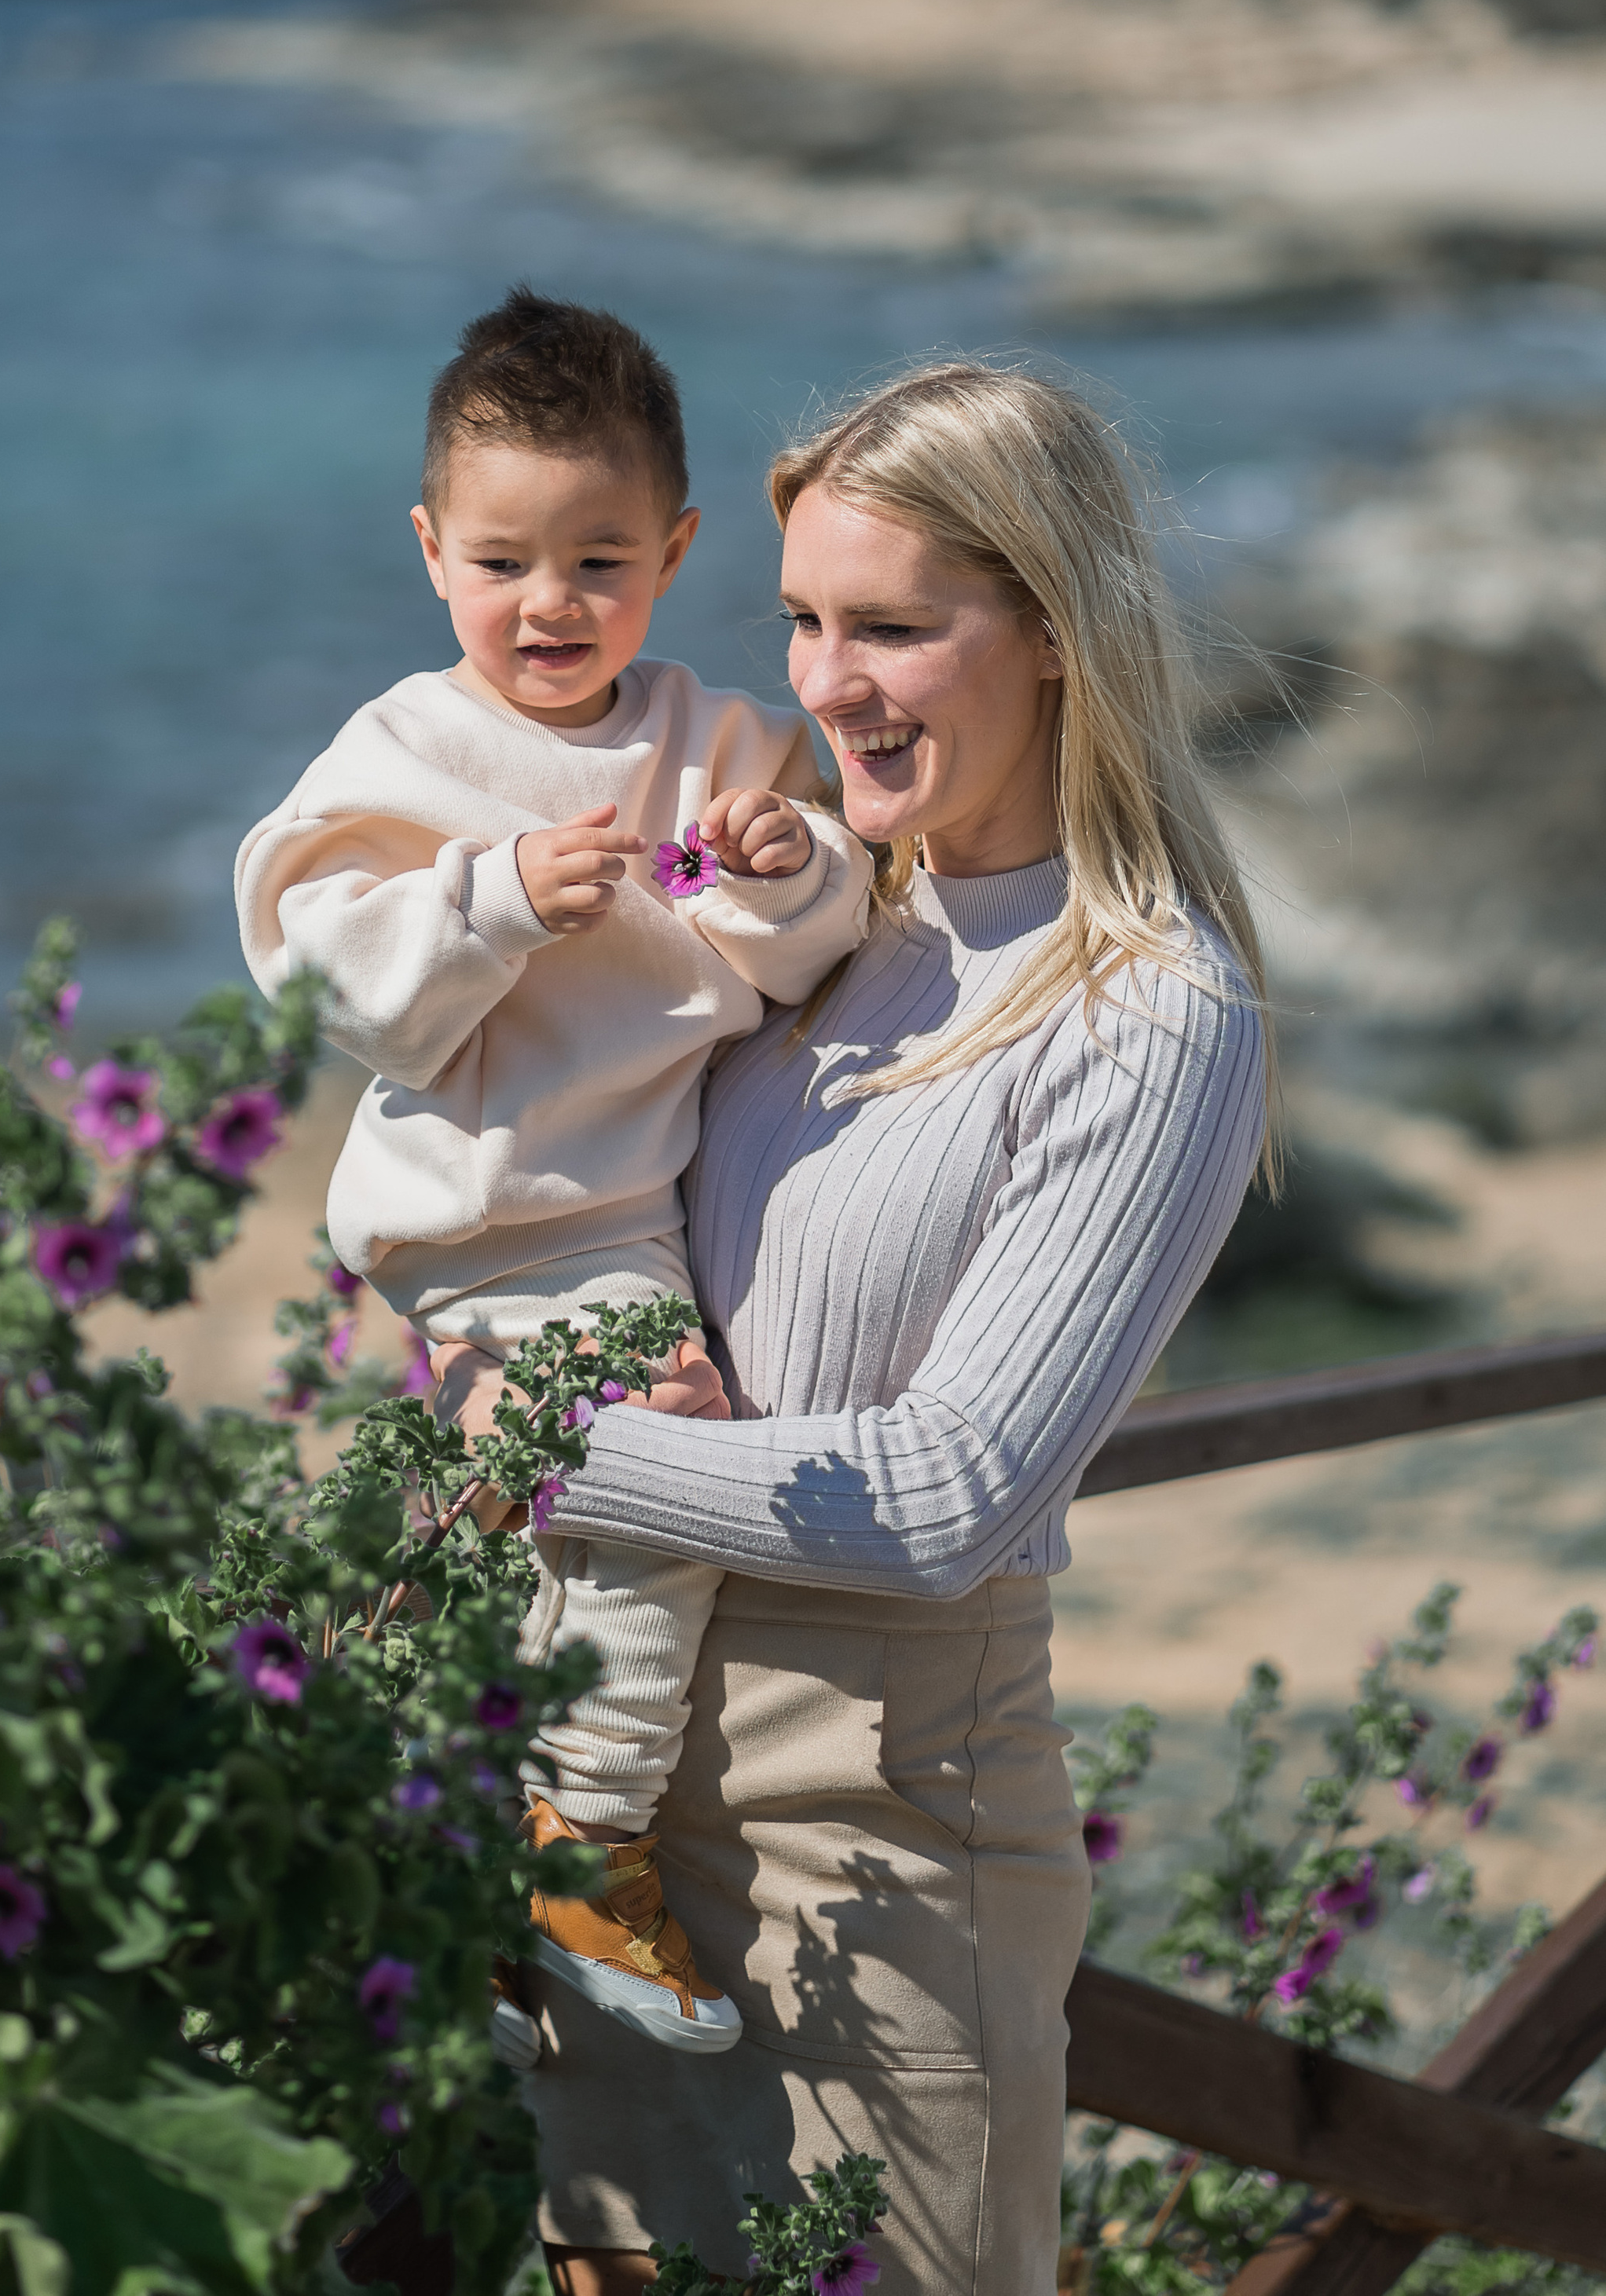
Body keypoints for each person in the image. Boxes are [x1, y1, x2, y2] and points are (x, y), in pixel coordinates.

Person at [438, 359, 1271, 2294]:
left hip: (879, 1823)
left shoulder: (1149, 1011)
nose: (823, 684)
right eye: (803, 620)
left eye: (893, 626)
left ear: (1053, 632)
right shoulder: (805, 922)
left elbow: (944, 1496)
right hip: (607, 1803)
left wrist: (537, 1441)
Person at [234, 287, 871, 2056]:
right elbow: (311, 972)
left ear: (671, 551)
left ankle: (475, 1884)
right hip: (476, 1224)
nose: (550, 603)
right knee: (652, 1476)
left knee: (553, 1532)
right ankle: (579, 1842)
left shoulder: (717, 737)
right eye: (504, 559)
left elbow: (808, 942)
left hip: (621, 1218)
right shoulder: (405, 750)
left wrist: (781, 861)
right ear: (432, 550)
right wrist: (489, 899)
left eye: (598, 560)